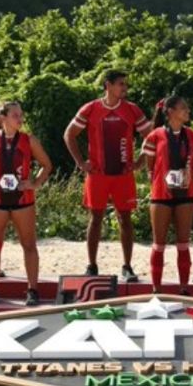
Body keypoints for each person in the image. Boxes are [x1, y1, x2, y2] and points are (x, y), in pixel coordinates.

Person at [64, 70, 151, 282]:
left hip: (123, 175)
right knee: (95, 219)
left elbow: (151, 137)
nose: (125, 88)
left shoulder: (131, 109)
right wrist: (80, 162)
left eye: (126, 84)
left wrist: (140, 161)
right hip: (98, 175)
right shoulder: (91, 108)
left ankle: (127, 266)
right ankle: (92, 265)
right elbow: (69, 134)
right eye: (121, 84)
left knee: (125, 219)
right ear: (108, 85)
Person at [0, 102, 53, 306]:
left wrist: (34, 183)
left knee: (29, 245)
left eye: (21, 115)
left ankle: (32, 290)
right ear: (2, 117)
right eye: (15, 115)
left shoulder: (28, 140)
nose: (20, 119)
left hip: (23, 201)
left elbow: (46, 165)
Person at [140, 96, 193, 294]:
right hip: (160, 196)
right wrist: (161, 181)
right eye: (183, 108)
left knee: (183, 243)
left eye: (187, 107)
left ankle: (184, 287)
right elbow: (150, 166)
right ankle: (156, 288)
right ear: (170, 112)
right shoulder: (155, 136)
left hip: (185, 195)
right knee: (158, 244)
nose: (188, 111)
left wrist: (187, 177)